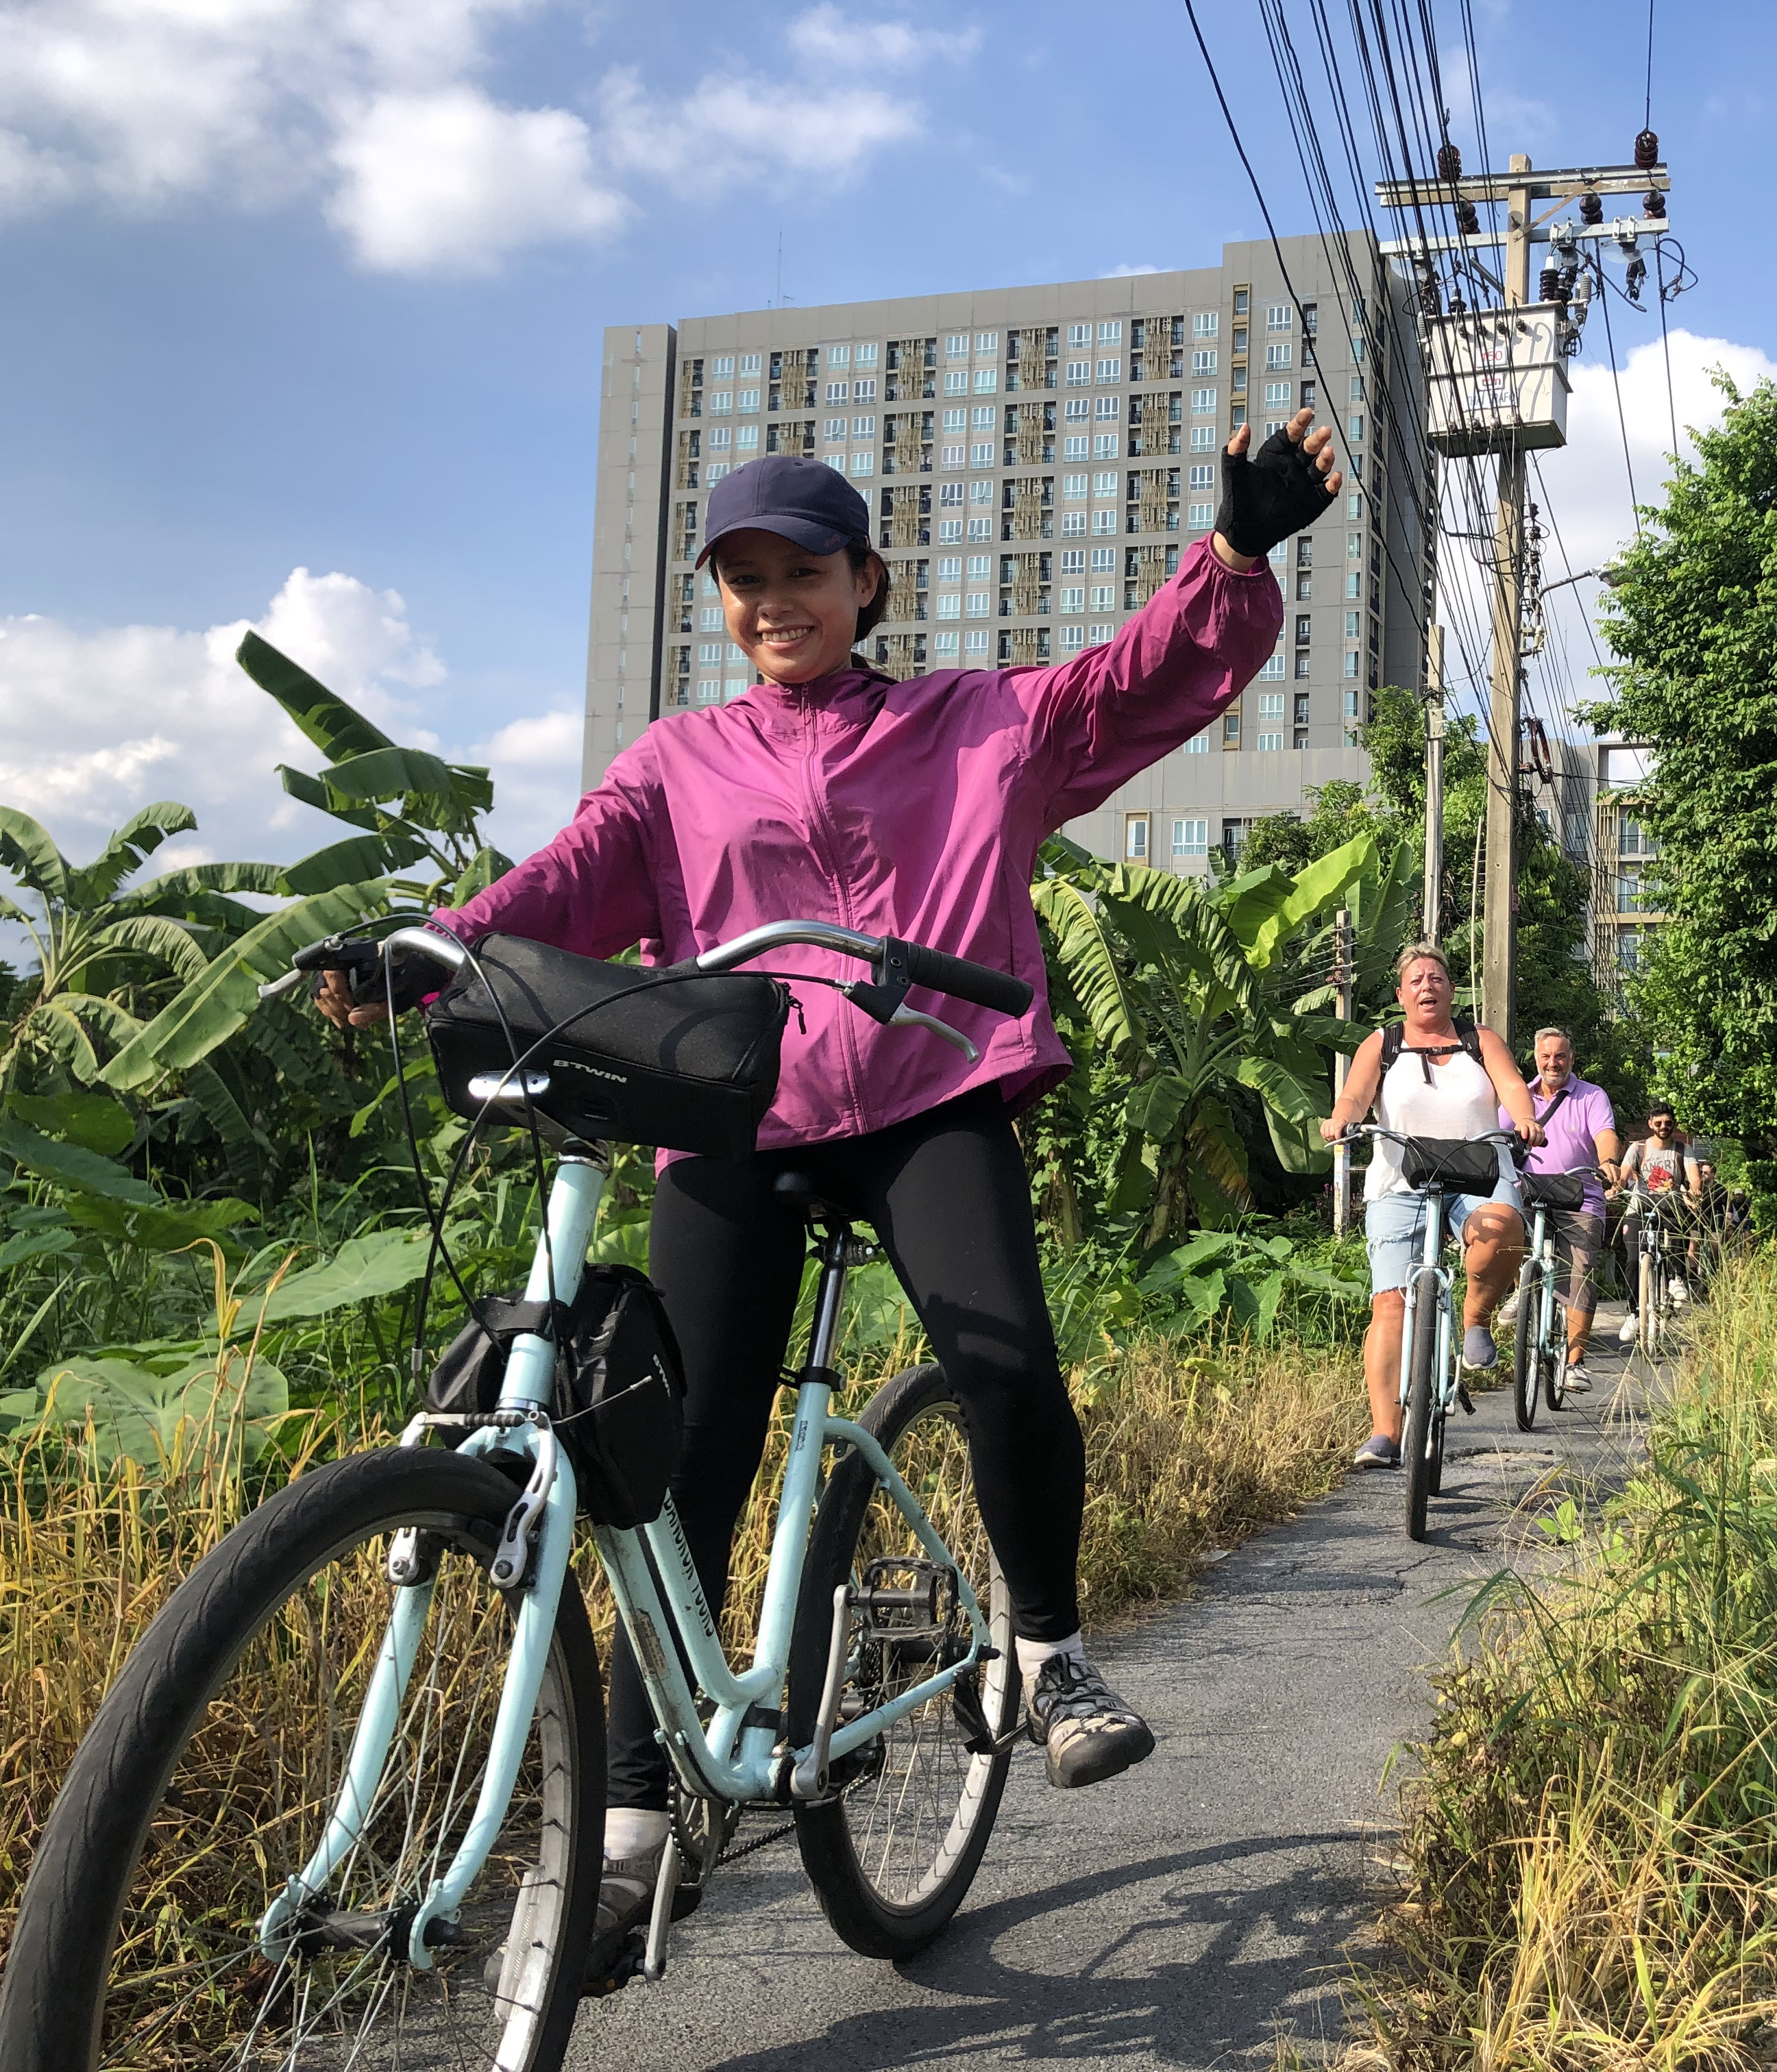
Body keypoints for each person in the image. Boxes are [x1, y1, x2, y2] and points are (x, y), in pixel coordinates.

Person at [319, 421, 1341, 1946]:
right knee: (673, 1463)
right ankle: (634, 1824)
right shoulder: (678, 762)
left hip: (934, 1086)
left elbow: (1136, 684)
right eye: (742, 577)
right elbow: (567, 877)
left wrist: (1236, 557)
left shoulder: (980, 721)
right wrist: (428, 950)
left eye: (803, 570)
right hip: (738, 1106)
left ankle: (1044, 1650)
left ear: (869, 582)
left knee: (1001, 1363)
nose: (772, 599)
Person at [1319, 946, 1541, 1470]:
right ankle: (1384, 1433)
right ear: (1401, 994)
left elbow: (1511, 1086)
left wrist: (1525, 1118)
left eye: (1437, 977)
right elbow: (1355, 1095)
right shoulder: (1384, 1043)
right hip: (1402, 1182)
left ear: (1451, 989)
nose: (1427, 985)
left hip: (1480, 1175)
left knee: (1503, 1227)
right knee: (1390, 1304)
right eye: (1416, 979)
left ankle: (1474, 1319)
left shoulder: (1479, 1039)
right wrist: (1341, 1120)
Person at [1515, 1027, 1622, 1392]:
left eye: (1560, 1056)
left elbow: (1605, 1133)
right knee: (1502, 1226)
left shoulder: (1591, 1096)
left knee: (1580, 1272)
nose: (1552, 1063)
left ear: (1572, 1059)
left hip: (1581, 1195)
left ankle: (1575, 1362)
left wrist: (1608, 1160)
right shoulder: (1521, 1098)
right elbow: (1496, 1131)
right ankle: (1521, 1289)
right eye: (1546, 1056)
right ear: (1536, 1059)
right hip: (1531, 1194)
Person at [1616, 1101, 1700, 1345]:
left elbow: (1693, 1177)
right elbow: (1623, 1174)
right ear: (1650, 1124)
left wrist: (1694, 1192)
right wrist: (1615, 1188)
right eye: (1659, 1123)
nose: (1664, 1127)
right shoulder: (1638, 1148)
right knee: (1633, 1259)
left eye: (1668, 1123)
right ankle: (1634, 1312)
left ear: (1674, 1124)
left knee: (1679, 1229)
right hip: (1639, 1206)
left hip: (1670, 1205)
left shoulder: (1683, 1150)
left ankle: (1676, 1278)